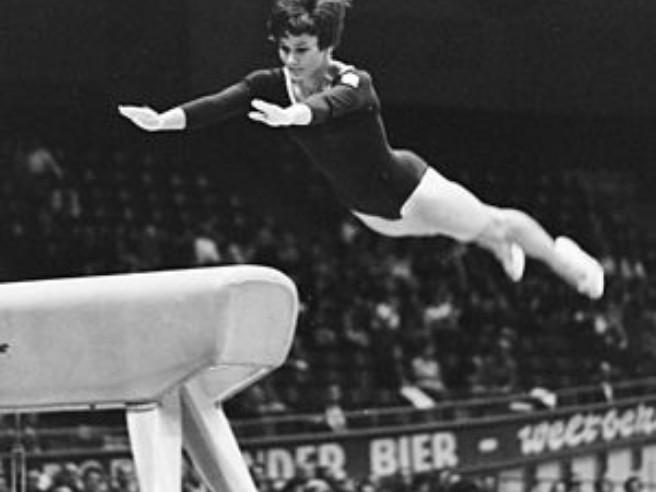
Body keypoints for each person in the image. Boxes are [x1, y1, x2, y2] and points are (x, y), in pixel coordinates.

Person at [119, 0, 604, 299]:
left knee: (494, 222)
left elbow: (332, 105)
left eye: (302, 50)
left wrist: (296, 115)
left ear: (326, 47)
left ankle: (566, 262)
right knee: (466, 229)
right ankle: (493, 243)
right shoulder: (270, 82)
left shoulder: (354, 80)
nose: (291, 60)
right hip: (373, 215)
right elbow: (222, 103)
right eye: (284, 49)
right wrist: (165, 120)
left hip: (411, 189)